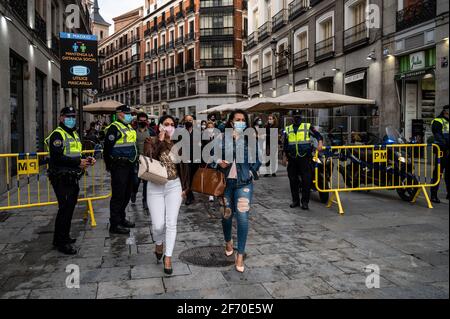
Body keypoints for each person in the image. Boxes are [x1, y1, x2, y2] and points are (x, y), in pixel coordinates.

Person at [45, 107, 95, 255]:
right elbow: (57, 157)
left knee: (69, 208)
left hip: (71, 176)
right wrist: (78, 162)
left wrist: (86, 160)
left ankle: (61, 237)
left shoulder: (73, 133)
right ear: (61, 118)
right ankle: (62, 243)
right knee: (65, 209)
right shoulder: (57, 135)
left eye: (73, 116)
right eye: (68, 116)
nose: (71, 119)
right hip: (61, 177)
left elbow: (75, 153)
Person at [217, 110, 261, 273]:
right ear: (230, 122)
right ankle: (228, 241)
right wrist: (217, 162)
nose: (240, 122)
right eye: (237, 120)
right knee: (226, 216)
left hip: (244, 183)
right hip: (225, 184)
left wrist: (251, 172)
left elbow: (258, 159)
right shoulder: (222, 137)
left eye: (243, 120)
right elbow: (212, 156)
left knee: (242, 217)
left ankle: (240, 254)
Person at [144, 115, 189, 274]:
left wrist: (185, 187)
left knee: (171, 223)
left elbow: (184, 167)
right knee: (158, 225)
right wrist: (160, 141)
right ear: (160, 126)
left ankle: (168, 257)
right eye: (166, 124)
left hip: (174, 186)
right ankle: (158, 242)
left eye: (172, 124)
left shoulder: (179, 144)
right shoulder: (150, 141)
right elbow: (149, 159)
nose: (169, 127)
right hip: (155, 186)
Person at [103, 105, 138, 235]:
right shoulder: (114, 128)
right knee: (118, 195)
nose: (129, 115)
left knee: (127, 193)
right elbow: (107, 148)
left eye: (130, 113)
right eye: (126, 113)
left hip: (129, 165)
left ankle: (122, 218)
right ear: (119, 114)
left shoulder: (128, 126)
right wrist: (110, 165)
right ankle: (115, 223)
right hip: (119, 166)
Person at [283, 110, 323, 210]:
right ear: (292, 118)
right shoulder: (287, 129)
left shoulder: (307, 126)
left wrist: (320, 143)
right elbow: (285, 144)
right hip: (292, 158)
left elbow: (318, 135)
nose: (297, 118)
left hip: (304, 158)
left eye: (298, 116)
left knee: (306, 180)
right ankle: (295, 201)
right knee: (293, 180)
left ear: (301, 117)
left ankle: (305, 202)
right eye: (295, 116)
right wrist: (284, 156)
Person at [131, 112, 155, 211]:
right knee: (136, 181)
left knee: (146, 183)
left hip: (147, 161)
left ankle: (145, 201)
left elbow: (155, 145)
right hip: (135, 160)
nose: (143, 122)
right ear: (137, 121)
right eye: (141, 120)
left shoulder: (151, 132)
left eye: (144, 120)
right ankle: (134, 192)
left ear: (147, 121)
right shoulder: (132, 132)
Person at [431, 105, 449, 203]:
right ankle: (433, 195)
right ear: (446, 111)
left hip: (448, 151)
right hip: (442, 151)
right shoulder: (437, 121)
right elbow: (438, 136)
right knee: (438, 173)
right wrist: (446, 146)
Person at [182, 114, 200, 206]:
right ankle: (189, 197)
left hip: (195, 158)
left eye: (191, 120)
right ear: (184, 121)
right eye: (187, 120)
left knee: (193, 178)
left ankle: (191, 194)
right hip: (185, 158)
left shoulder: (197, 132)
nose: (189, 121)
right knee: (187, 178)